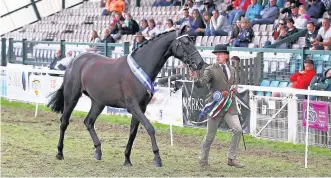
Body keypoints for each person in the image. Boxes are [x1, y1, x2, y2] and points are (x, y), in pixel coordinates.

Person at [190, 44, 244, 168]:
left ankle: (231, 158)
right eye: (216, 54)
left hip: (229, 105)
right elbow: (202, 82)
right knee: (210, 136)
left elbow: (234, 83)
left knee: (238, 130)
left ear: (226, 56)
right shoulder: (210, 69)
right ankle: (203, 161)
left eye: (220, 54)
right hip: (215, 106)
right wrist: (196, 79)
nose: (217, 56)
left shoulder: (232, 69)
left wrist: (235, 88)